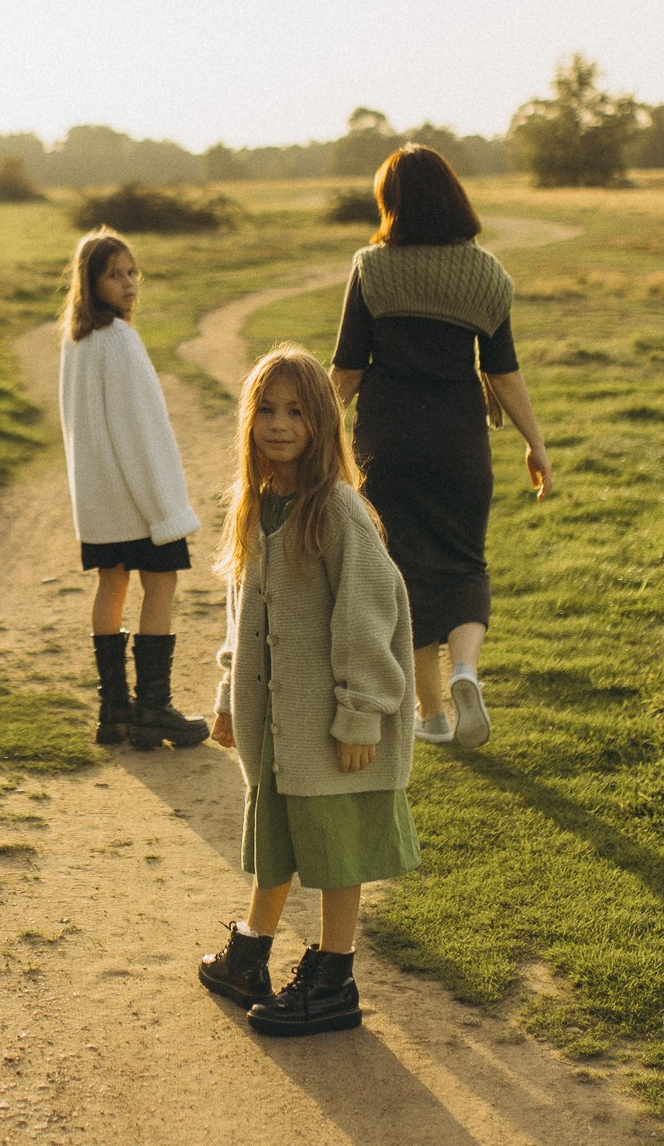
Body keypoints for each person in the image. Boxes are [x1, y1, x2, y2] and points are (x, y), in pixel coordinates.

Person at [196, 344, 417, 1036]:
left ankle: (333, 975)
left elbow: (369, 615)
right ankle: (251, 954)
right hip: (276, 725)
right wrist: (230, 692)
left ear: (322, 421)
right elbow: (243, 614)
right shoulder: (257, 506)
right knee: (279, 836)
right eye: (265, 409)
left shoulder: (337, 510)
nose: (279, 423)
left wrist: (359, 714)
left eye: (295, 410)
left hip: (329, 726)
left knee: (334, 845)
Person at [328, 146, 551, 749]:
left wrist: (315, 430)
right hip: (459, 441)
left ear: (392, 204)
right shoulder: (488, 274)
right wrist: (536, 444)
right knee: (465, 562)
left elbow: (347, 370)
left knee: (403, 574)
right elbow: (503, 372)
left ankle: (429, 719)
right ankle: (465, 672)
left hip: (387, 443)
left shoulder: (372, 268)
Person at [58, 227, 208, 750]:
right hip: (138, 499)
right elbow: (139, 432)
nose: (128, 284)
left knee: (112, 583)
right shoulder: (118, 340)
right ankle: (153, 708)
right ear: (91, 281)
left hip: (101, 500)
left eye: (131, 272)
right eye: (114, 274)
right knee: (159, 584)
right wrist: (166, 508)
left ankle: (113, 711)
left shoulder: (77, 340)